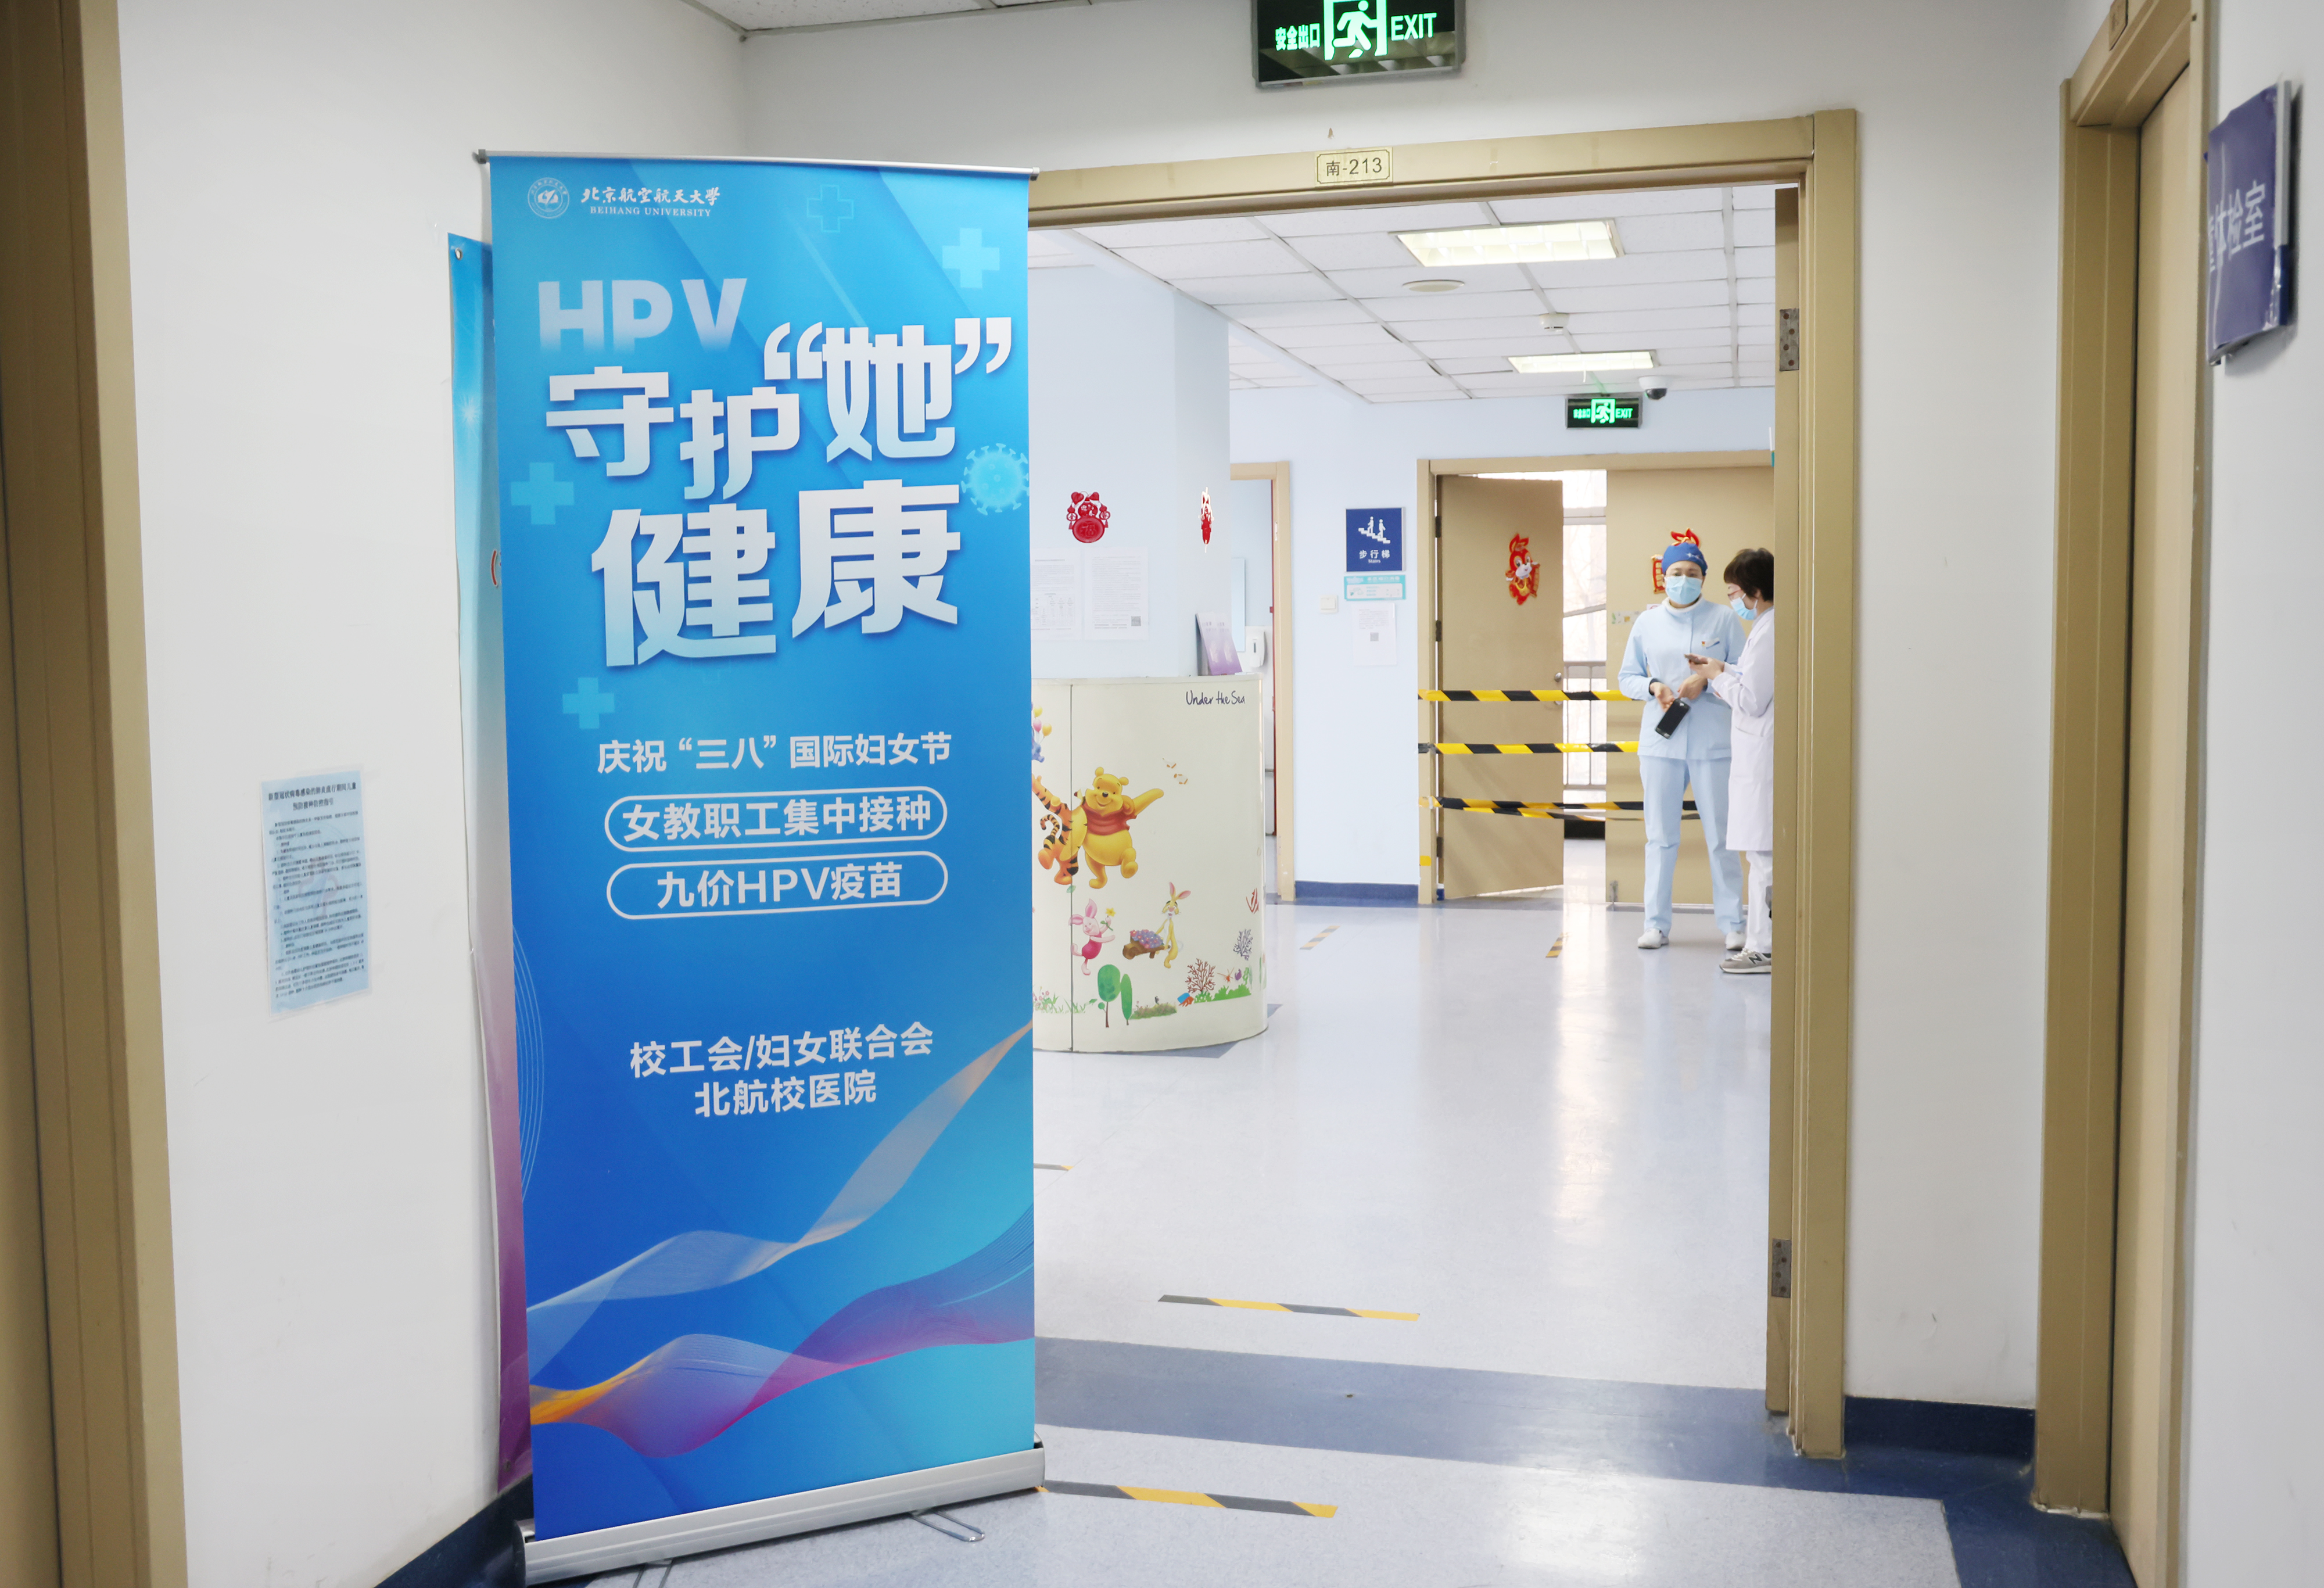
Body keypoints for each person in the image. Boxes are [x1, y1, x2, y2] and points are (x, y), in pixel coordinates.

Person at [1617, 540, 1745, 950]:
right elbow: (1627, 677)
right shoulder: (1647, 622)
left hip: (1713, 741)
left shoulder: (1724, 618)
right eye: (1677, 573)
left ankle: (1733, 924)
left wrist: (1708, 680)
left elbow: (1743, 672)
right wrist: (1654, 686)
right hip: (1662, 742)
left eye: (1693, 574)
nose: (1684, 580)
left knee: (1721, 835)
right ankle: (1655, 924)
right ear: (1664, 578)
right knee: (1660, 836)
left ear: (1703, 579)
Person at [1689, 548, 1774, 974]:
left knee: (1765, 860)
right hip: (1756, 755)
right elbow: (1755, 678)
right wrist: (1725, 668)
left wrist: (1716, 678)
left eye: (1735, 592)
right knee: (1761, 858)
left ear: (1756, 591)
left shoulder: (1772, 629)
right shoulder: (1766, 626)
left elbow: (1752, 700)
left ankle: (1764, 948)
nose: (1733, 600)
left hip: (1762, 759)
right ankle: (1762, 945)